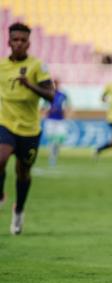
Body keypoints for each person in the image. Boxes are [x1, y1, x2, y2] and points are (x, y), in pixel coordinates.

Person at [0, 22, 55, 235]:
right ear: (9, 41)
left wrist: (30, 85)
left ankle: (19, 210)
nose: (19, 44)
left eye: (23, 40)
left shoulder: (37, 66)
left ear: (29, 43)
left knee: (23, 173)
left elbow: (51, 95)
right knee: (1, 159)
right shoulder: (2, 66)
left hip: (30, 130)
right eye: (15, 40)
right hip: (5, 124)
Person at [42, 79, 71, 167]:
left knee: (60, 140)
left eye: (57, 83)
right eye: (54, 83)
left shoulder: (63, 95)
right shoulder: (49, 94)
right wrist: (46, 112)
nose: (55, 85)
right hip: (50, 120)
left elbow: (68, 106)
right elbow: (44, 107)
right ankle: (52, 157)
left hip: (60, 120)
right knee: (51, 140)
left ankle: (54, 154)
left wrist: (67, 115)